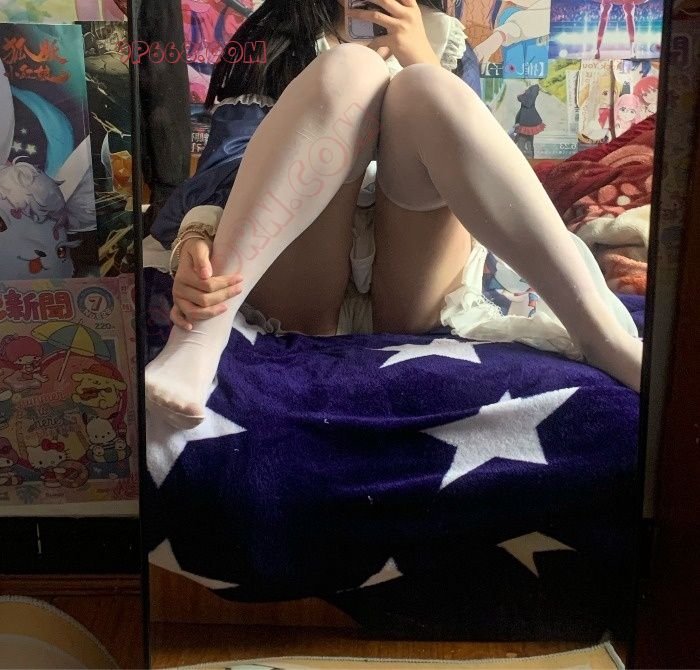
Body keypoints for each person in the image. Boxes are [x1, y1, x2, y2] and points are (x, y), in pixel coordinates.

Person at [146, 0, 643, 429]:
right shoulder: (274, 37)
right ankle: (203, 333)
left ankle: (597, 333)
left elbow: (483, 167)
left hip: (414, 283)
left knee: (426, 87)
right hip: (299, 278)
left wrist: (421, 58)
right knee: (350, 68)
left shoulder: (447, 41)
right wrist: (199, 232)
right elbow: (227, 161)